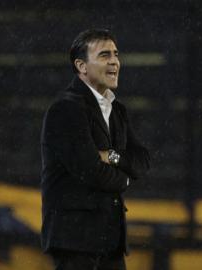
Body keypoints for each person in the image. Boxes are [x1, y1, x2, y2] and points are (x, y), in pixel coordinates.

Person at [40, 29, 150, 270]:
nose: (114, 61)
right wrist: (125, 180)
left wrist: (111, 156)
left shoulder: (117, 110)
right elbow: (89, 169)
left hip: (109, 241)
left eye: (115, 54)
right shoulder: (66, 109)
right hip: (76, 241)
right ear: (82, 66)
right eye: (104, 55)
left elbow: (142, 160)